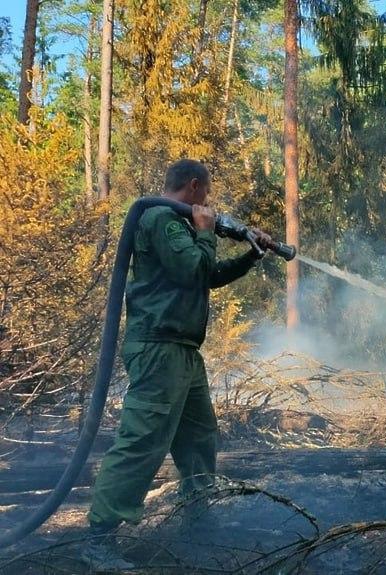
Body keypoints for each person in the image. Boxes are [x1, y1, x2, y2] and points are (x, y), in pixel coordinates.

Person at [82, 159, 273, 569]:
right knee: (142, 441)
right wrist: (205, 232)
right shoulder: (160, 219)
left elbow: (207, 275)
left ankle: (198, 523)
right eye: (205, 193)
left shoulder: (178, 226)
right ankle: (98, 539)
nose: (208, 202)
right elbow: (193, 268)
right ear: (194, 186)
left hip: (183, 351)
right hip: (159, 348)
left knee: (198, 438)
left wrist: (250, 257)